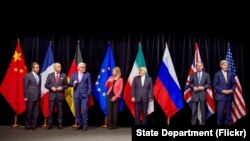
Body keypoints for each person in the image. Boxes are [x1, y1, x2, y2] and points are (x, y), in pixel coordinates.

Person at [69, 62, 92, 131]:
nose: (84, 68)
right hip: (76, 95)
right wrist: (73, 83)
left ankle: (85, 125)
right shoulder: (74, 75)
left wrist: (88, 94)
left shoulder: (88, 75)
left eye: (85, 67)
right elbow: (70, 84)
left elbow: (90, 86)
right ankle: (79, 124)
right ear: (78, 68)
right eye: (82, 67)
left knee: (84, 110)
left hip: (84, 95)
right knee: (77, 110)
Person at [45, 63, 68, 130]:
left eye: (60, 67)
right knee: (51, 111)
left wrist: (62, 87)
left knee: (60, 111)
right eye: (58, 67)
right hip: (52, 96)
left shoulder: (64, 75)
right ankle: (49, 125)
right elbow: (46, 85)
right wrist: (51, 87)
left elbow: (66, 85)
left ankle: (60, 125)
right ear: (54, 68)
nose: (60, 68)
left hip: (60, 96)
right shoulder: (50, 75)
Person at [213, 60, 236, 125]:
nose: (226, 66)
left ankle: (228, 125)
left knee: (228, 113)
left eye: (227, 65)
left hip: (229, 96)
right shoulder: (217, 74)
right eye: (224, 65)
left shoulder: (231, 74)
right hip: (220, 96)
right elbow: (215, 85)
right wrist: (222, 91)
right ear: (221, 66)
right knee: (220, 113)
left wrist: (231, 90)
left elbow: (234, 84)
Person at [24, 62, 41, 130]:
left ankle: (34, 125)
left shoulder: (39, 76)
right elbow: (25, 87)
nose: (38, 69)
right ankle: (27, 125)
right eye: (37, 67)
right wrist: (26, 96)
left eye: (38, 67)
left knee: (36, 112)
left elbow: (38, 87)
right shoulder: (27, 75)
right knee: (29, 111)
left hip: (37, 96)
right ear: (32, 68)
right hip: (30, 96)